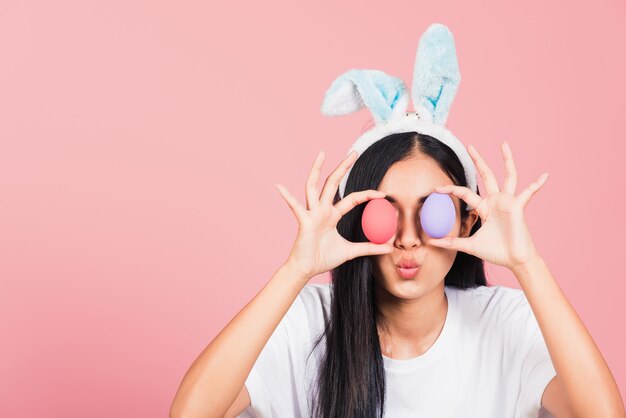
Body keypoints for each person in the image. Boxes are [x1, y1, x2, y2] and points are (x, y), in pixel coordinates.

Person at [170, 23, 625, 418]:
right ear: (359, 217)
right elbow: (191, 412)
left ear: (467, 223)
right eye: (386, 213)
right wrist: (294, 271)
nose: (408, 240)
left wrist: (529, 265)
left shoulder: (505, 325)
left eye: (434, 212)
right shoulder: (304, 324)